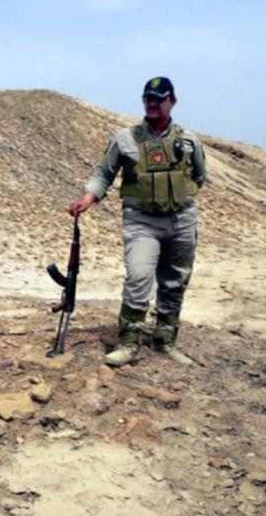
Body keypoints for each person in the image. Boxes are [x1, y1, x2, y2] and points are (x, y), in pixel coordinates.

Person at [69, 76, 206, 366]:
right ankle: (129, 343)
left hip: (181, 220)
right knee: (139, 276)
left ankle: (165, 340)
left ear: (173, 101)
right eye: (148, 98)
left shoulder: (189, 140)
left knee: (175, 280)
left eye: (159, 98)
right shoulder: (125, 139)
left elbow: (199, 176)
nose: (152, 103)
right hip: (142, 222)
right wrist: (87, 199)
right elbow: (104, 173)